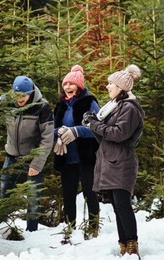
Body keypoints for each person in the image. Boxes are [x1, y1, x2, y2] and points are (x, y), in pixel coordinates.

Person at [82, 64, 144, 258]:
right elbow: (105, 137)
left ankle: (132, 244)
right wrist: (93, 123)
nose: (107, 86)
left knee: (123, 205)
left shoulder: (130, 108)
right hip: (111, 161)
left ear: (121, 88)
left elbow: (119, 134)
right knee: (117, 207)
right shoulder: (115, 107)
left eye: (111, 83)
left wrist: (95, 124)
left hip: (122, 162)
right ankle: (124, 245)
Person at [0, 75, 54, 232]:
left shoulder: (42, 107)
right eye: (17, 95)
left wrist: (37, 163)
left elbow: (47, 139)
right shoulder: (6, 101)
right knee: (4, 190)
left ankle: (32, 232)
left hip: (32, 157)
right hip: (11, 155)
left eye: (24, 95)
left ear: (31, 93)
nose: (20, 99)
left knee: (33, 196)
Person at [53, 65, 100, 238]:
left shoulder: (89, 102)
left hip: (86, 156)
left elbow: (97, 128)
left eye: (71, 84)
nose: (67, 87)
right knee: (68, 193)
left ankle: (94, 226)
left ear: (79, 87)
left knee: (89, 192)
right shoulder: (60, 105)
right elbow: (52, 127)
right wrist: (57, 132)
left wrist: (76, 131)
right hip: (66, 157)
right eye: (65, 84)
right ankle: (69, 226)